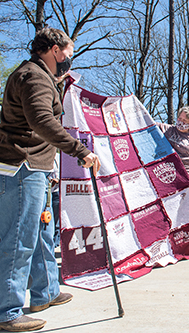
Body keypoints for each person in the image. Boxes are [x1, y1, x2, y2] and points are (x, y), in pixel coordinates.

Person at [0, 27, 100, 332]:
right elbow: (42, 121)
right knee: (18, 240)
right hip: (21, 167)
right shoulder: (34, 77)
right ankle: (7, 311)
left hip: (36, 169)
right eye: (69, 53)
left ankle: (46, 293)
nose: (69, 60)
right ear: (55, 50)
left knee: (42, 234)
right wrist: (80, 151)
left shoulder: (40, 76)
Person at [157, 106, 189, 189]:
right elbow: (147, 123)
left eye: (184, 120)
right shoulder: (166, 129)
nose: (180, 121)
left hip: (185, 180)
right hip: (164, 175)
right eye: (179, 118)